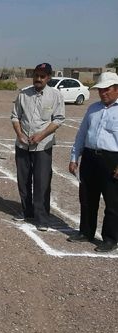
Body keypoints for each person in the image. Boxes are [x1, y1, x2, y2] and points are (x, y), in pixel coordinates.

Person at [67, 72, 118, 252]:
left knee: (113, 203)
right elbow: (82, 134)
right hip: (90, 157)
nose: (103, 93)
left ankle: (110, 239)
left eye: (107, 89)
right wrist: (74, 157)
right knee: (87, 198)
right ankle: (86, 232)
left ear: (116, 89)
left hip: (112, 160)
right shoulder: (93, 109)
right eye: (100, 90)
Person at [11, 63, 65, 231]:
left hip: (43, 146)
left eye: (42, 76)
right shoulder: (24, 94)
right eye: (36, 75)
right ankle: (27, 211)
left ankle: (42, 218)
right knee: (23, 180)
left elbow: (58, 119)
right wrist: (20, 135)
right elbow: (15, 116)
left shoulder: (55, 95)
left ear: (48, 77)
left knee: (41, 182)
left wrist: (41, 135)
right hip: (22, 145)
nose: (38, 79)